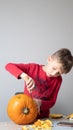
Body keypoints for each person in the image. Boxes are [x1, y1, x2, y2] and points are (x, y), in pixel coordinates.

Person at [5, 48, 73, 118]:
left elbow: (52, 102)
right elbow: (8, 65)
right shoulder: (32, 68)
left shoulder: (58, 80)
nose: (54, 73)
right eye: (54, 68)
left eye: (59, 73)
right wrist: (24, 75)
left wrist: (41, 103)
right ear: (49, 59)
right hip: (25, 115)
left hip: (43, 117)